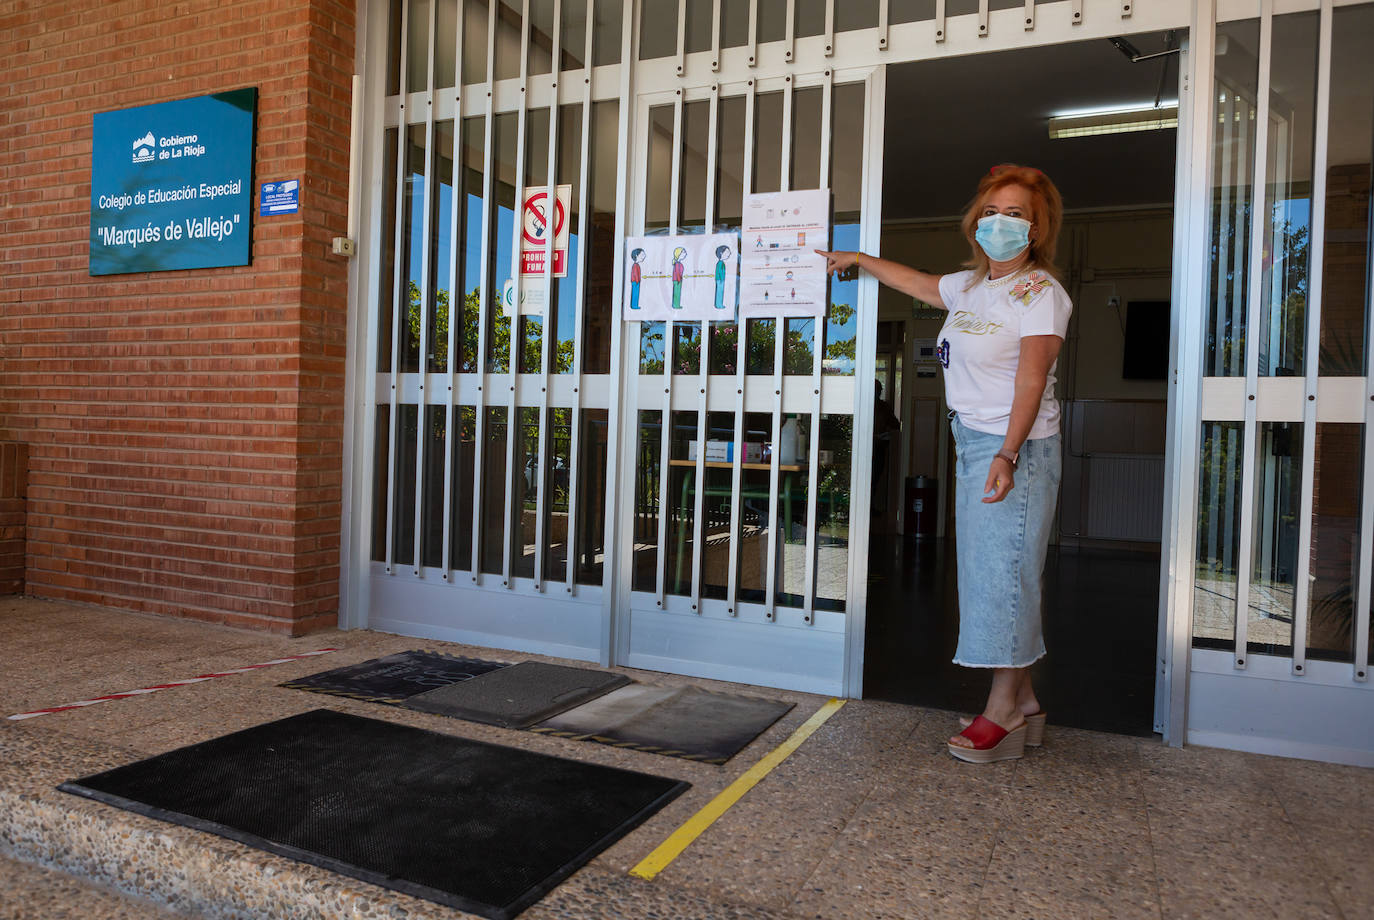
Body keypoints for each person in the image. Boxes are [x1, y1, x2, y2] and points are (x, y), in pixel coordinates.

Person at [816, 164, 1070, 764]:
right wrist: (858, 258)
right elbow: (921, 283)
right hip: (976, 441)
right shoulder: (973, 287)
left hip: (1018, 448)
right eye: (990, 211)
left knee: (1005, 577)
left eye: (1014, 214)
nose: (999, 221)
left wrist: (1008, 453)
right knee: (990, 575)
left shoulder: (1040, 293)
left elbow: (1032, 381)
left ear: (1035, 229)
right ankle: (1025, 702)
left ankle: (1003, 709)